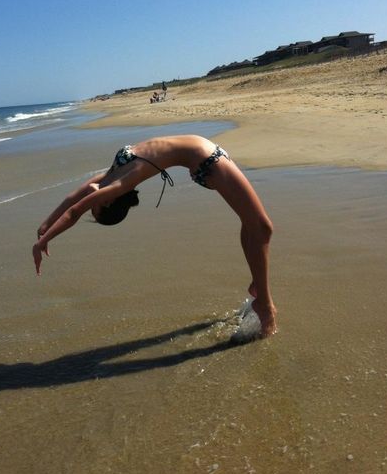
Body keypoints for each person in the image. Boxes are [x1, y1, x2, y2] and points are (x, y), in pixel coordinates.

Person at [33, 135, 276, 339]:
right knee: (262, 227)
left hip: (208, 156)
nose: (90, 200)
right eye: (93, 206)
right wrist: (46, 237)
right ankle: (265, 307)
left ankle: (258, 285)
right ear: (108, 200)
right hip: (208, 162)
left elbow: (74, 202)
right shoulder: (119, 182)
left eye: (93, 207)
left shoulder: (112, 174)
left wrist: (45, 227)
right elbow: (76, 209)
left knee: (253, 224)